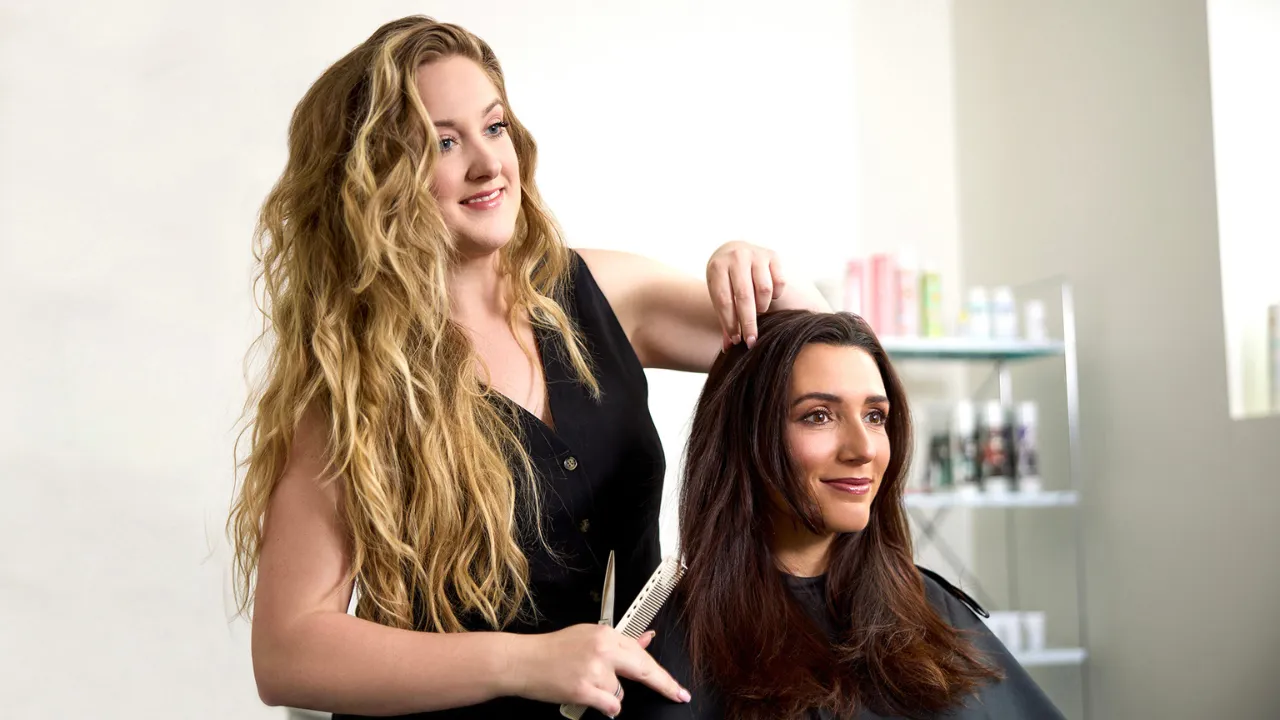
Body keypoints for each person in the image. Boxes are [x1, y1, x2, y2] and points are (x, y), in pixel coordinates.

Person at [225, 15, 829, 720]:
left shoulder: (602, 295)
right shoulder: (355, 391)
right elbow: (288, 653)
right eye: (443, 142)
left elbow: (824, 362)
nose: (488, 164)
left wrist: (757, 269)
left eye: (495, 127)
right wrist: (526, 660)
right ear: (375, 181)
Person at [624, 310, 1065, 719]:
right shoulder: (674, 639)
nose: (864, 449)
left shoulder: (928, 606)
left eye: (875, 416)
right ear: (744, 437)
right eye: (818, 416)